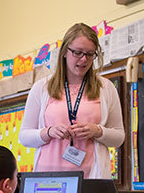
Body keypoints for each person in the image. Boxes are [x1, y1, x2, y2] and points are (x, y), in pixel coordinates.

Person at [19, 22, 125, 179]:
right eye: (77, 52)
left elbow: (119, 137)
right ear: (64, 52)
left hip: (91, 178)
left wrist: (97, 131)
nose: (84, 60)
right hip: (48, 179)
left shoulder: (106, 88)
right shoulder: (41, 88)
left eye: (90, 54)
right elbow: (24, 137)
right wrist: (48, 132)